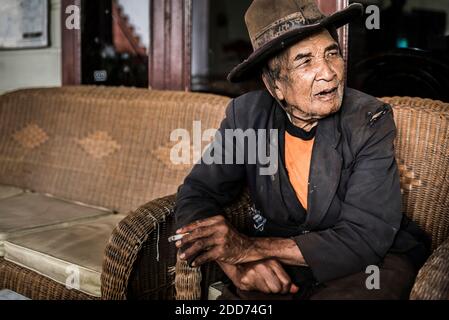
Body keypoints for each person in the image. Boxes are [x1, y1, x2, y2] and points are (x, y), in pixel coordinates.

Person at [174, 0, 429, 299]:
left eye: (332, 53)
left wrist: (247, 248)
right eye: (305, 61)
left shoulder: (369, 119)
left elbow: (365, 237)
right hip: (283, 261)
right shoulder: (247, 117)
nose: (329, 72)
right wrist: (234, 263)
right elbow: (196, 193)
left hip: (370, 264)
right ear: (275, 86)